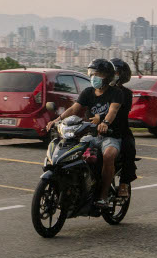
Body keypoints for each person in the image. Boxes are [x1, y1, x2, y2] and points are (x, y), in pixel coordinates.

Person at [46, 59, 122, 208]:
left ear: (107, 76)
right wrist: (57, 120)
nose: (93, 76)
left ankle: (103, 196)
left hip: (110, 136)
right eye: (92, 73)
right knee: (71, 152)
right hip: (91, 135)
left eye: (97, 74)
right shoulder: (88, 92)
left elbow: (113, 110)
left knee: (108, 155)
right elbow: (74, 109)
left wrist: (105, 123)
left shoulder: (116, 93)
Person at [109, 57, 137, 193]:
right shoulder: (96, 90)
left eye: (116, 72)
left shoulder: (126, 94)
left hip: (118, 130)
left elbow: (120, 113)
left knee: (129, 148)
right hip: (95, 129)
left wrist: (103, 121)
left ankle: (124, 183)